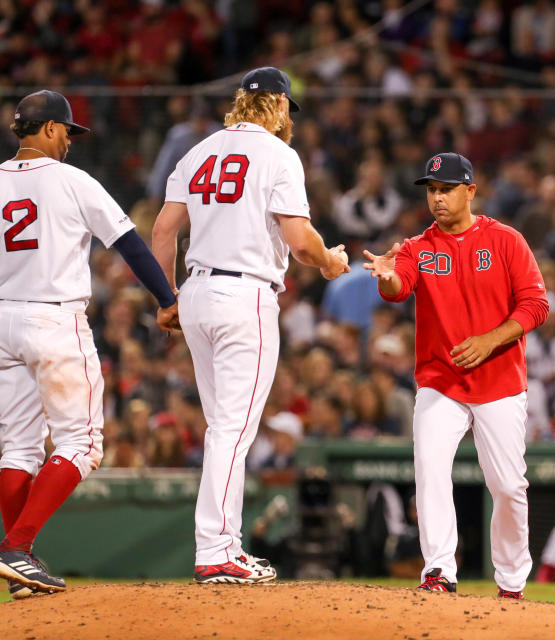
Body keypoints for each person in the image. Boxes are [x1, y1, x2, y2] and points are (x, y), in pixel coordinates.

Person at [151, 67, 349, 584]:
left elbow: (164, 228)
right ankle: (216, 547)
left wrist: (166, 295)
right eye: (288, 109)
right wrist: (329, 261)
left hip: (195, 293)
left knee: (225, 428)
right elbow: (302, 243)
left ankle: (226, 545)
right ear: (280, 106)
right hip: (244, 296)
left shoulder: (197, 151)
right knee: (233, 431)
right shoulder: (279, 155)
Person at [0, 91, 178, 597]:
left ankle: (21, 567)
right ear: (52, 129)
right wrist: (166, 299)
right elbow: (129, 243)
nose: (69, 144)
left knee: (18, 449)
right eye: (67, 133)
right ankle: (16, 549)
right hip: (53, 320)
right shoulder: (72, 181)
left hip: (3, 319)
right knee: (82, 444)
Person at [362, 152, 549, 599]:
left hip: (499, 380)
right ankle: (439, 570)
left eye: (446, 188)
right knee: (429, 468)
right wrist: (386, 278)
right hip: (440, 381)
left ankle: (511, 582)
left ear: (470, 190)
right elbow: (397, 288)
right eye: (431, 189)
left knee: (507, 486)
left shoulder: (505, 240)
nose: (437, 198)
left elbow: (537, 305)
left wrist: (491, 339)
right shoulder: (417, 248)